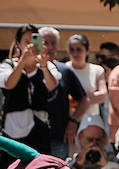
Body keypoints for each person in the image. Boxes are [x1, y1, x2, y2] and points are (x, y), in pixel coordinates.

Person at [0, 24, 58, 153]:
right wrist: (22, 62)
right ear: (18, 44)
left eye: (34, 41)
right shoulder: (8, 65)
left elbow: (52, 86)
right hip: (14, 129)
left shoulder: (47, 65)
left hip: (40, 129)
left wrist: (43, 66)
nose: (30, 45)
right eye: (26, 42)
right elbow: (9, 84)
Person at [38, 26, 90, 158]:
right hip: (32, 136)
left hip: (59, 136)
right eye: (45, 43)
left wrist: (73, 121)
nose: (49, 47)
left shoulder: (65, 70)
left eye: (53, 43)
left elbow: (84, 99)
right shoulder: (29, 70)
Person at [66, 33, 108, 131]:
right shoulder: (64, 69)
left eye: (79, 49)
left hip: (91, 123)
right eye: (72, 50)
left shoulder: (97, 70)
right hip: (69, 125)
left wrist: (80, 99)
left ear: (87, 50)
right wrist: (91, 97)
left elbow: (103, 96)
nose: (75, 53)